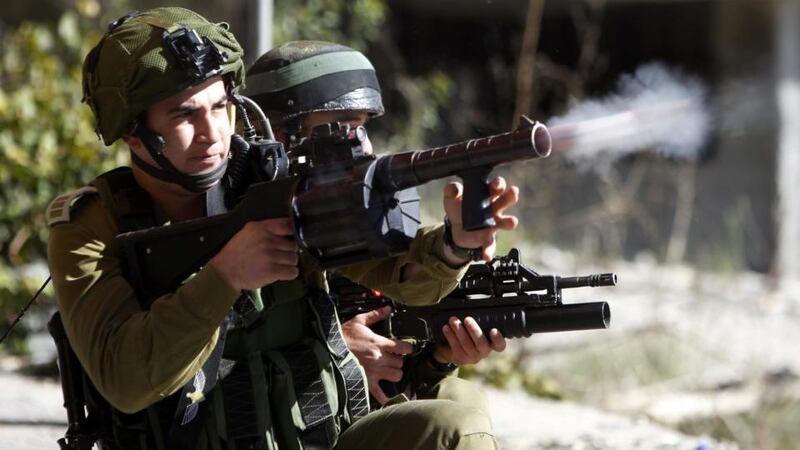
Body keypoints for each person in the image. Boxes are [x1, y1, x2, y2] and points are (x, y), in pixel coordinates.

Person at [47, 7, 517, 450]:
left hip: (317, 435)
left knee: (457, 411)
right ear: (134, 134)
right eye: (185, 115)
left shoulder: (271, 180)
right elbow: (127, 382)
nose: (213, 134)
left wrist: (455, 246)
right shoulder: (91, 227)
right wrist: (224, 277)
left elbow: (396, 271)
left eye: (221, 105)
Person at [242, 40, 509, 410]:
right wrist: (333, 347)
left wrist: (455, 246)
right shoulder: (231, 220)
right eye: (345, 130)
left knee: (457, 400)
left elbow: (401, 270)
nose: (365, 149)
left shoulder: (335, 226)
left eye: (363, 129)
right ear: (284, 138)